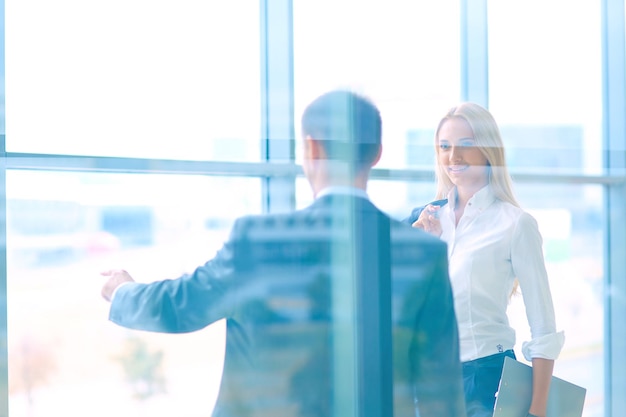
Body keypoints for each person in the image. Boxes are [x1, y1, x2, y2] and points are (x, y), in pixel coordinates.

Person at [100, 90, 466, 417]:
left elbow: (181, 305)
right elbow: (442, 395)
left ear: (310, 149)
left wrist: (122, 291)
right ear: (376, 153)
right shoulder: (422, 254)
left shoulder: (258, 241)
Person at [404, 102, 565, 417]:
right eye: (445, 146)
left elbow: (544, 328)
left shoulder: (515, 224)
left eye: (466, 144)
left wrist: (537, 410)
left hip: (485, 379)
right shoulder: (427, 222)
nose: (454, 157)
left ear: (488, 149)